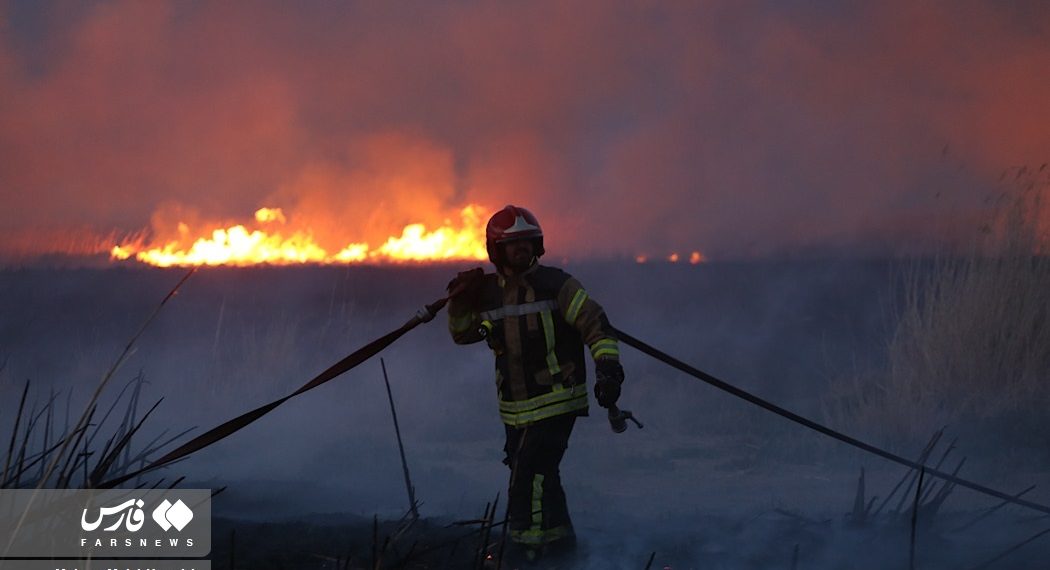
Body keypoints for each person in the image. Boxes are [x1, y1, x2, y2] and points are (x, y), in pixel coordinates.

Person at [446, 204, 626, 564]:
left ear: (538, 245)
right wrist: (460, 300)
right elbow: (462, 334)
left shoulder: (557, 285)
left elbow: (596, 325)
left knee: (528, 479)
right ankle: (561, 549)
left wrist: (608, 367)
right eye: (513, 245)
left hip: (558, 399)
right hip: (515, 408)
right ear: (497, 250)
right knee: (541, 475)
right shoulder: (487, 293)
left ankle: (526, 554)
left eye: (528, 243)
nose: (522, 250)